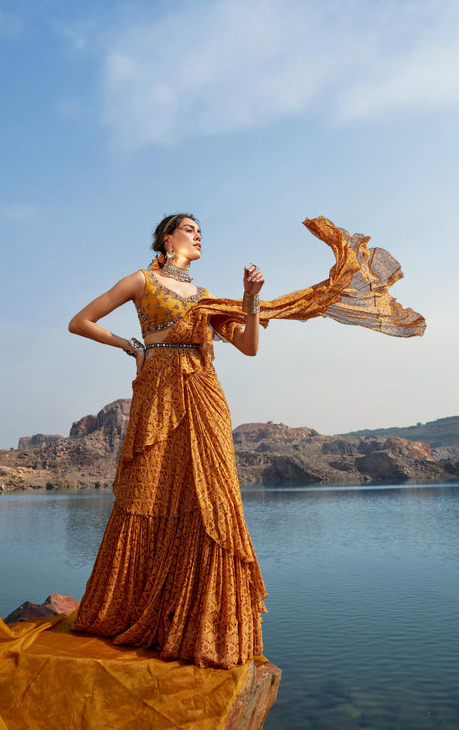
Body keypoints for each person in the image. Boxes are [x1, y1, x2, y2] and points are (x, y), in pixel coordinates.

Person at [68, 212, 425, 669]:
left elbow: (250, 347)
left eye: (201, 231)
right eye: (189, 229)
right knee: (148, 495)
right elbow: (82, 321)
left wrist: (252, 300)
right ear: (166, 237)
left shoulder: (205, 298)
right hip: (158, 392)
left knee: (213, 502)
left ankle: (196, 623)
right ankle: (135, 608)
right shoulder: (142, 280)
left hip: (204, 394)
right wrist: (134, 347)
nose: (198, 236)